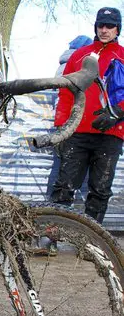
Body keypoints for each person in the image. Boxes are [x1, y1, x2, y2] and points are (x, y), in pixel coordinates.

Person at [50, 7, 124, 224]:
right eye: (101, 25)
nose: (104, 30)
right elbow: (65, 92)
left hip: (111, 134)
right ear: (96, 26)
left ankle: (91, 243)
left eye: (109, 26)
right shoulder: (79, 55)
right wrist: (62, 128)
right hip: (78, 132)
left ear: (117, 28)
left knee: (100, 191)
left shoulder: (123, 56)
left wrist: (117, 113)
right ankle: (51, 236)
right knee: (64, 186)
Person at [45, 34, 92, 196]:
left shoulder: (62, 66)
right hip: (72, 122)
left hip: (64, 120)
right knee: (68, 162)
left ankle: (53, 197)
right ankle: (64, 200)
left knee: (62, 162)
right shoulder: (77, 66)